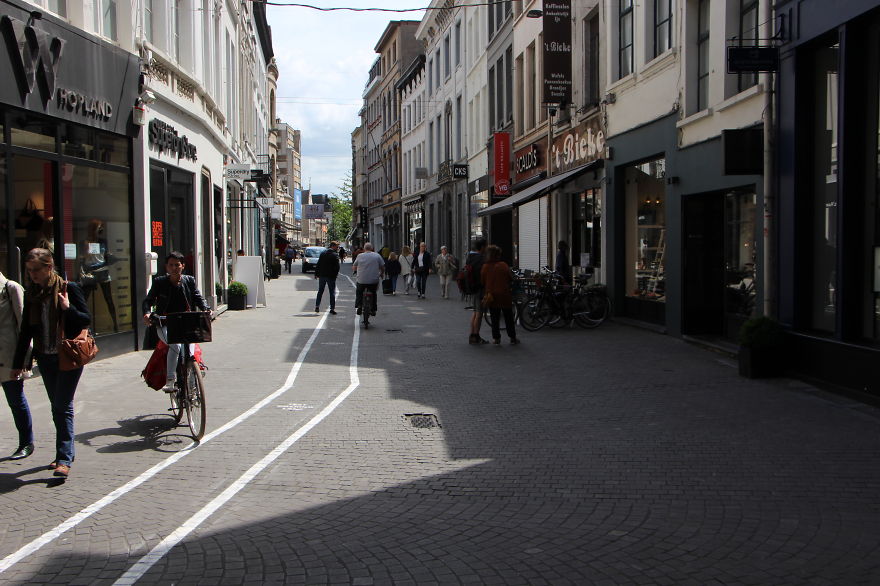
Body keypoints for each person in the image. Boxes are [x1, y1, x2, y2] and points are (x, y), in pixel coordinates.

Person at [11, 248, 92, 479]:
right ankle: (65, 453)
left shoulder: (70, 288)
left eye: (36, 270)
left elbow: (86, 319)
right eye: (29, 271)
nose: (32, 275)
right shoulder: (33, 293)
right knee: (57, 406)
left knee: (62, 406)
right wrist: (20, 363)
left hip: (68, 356)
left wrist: (68, 308)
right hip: (45, 358)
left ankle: (64, 459)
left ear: (49, 267)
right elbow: (26, 330)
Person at [142, 252, 211, 394]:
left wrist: (206, 308)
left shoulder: (189, 281)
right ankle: (170, 380)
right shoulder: (160, 282)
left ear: (183, 266)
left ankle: (192, 383)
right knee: (175, 345)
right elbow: (148, 300)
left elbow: (197, 297)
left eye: (177, 265)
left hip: (186, 322)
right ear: (166, 267)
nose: (174, 268)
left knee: (191, 352)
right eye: (171, 265)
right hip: (165, 323)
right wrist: (147, 312)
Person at [1, 272, 33, 460]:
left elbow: (24, 325)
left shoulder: (11, 288)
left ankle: (26, 442)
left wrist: (24, 360)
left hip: (10, 357)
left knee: (15, 400)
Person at [80, 218, 119, 331]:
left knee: (109, 299)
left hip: (103, 271)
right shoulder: (85, 242)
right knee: (84, 299)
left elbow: (106, 255)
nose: (101, 230)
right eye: (99, 228)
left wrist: (111, 257)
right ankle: (83, 326)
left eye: (101, 228)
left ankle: (115, 325)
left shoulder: (103, 242)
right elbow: (83, 258)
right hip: (90, 272)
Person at [481, 245, 519, 345]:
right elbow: (511, 278)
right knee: (508, 317)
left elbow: (482, 281)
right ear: (498, 255)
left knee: (494, 318)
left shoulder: (485, 267)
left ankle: (496, 338)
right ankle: (512, 338)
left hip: (492, 296)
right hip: (504, 295)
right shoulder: (503, 265)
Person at [351, 243, 384, 316]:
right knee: (373, 293)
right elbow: (382, 266)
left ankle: (359, 305)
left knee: (359, 292)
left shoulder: (360, 256)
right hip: (373, 280)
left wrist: (355, 271)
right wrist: (382, 273)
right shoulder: (377, 255)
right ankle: (373, 309)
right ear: (372, 248)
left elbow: (354, 266)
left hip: (361, 280)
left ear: (364, 249)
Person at [466, 238, 489, 344]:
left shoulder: (470, 257)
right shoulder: (480, 258)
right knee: (479, 313)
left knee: (475, 312)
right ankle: (475, 336)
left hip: (472, 288)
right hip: (479, 288)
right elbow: (483, 274)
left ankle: (472, 334)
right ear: (483, 247)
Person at [314, 241, 340, 314]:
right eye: (337, 247)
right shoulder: (335, 255)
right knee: (332, 292)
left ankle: (317, 306)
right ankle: (332, 308)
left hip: (322, 275)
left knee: (320, 291)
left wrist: (316, 274)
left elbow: (318, 264)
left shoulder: (323, 253)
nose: (337, 248)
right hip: (331, 276)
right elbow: (337, 267)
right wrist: (335, 275)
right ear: (333, 246)